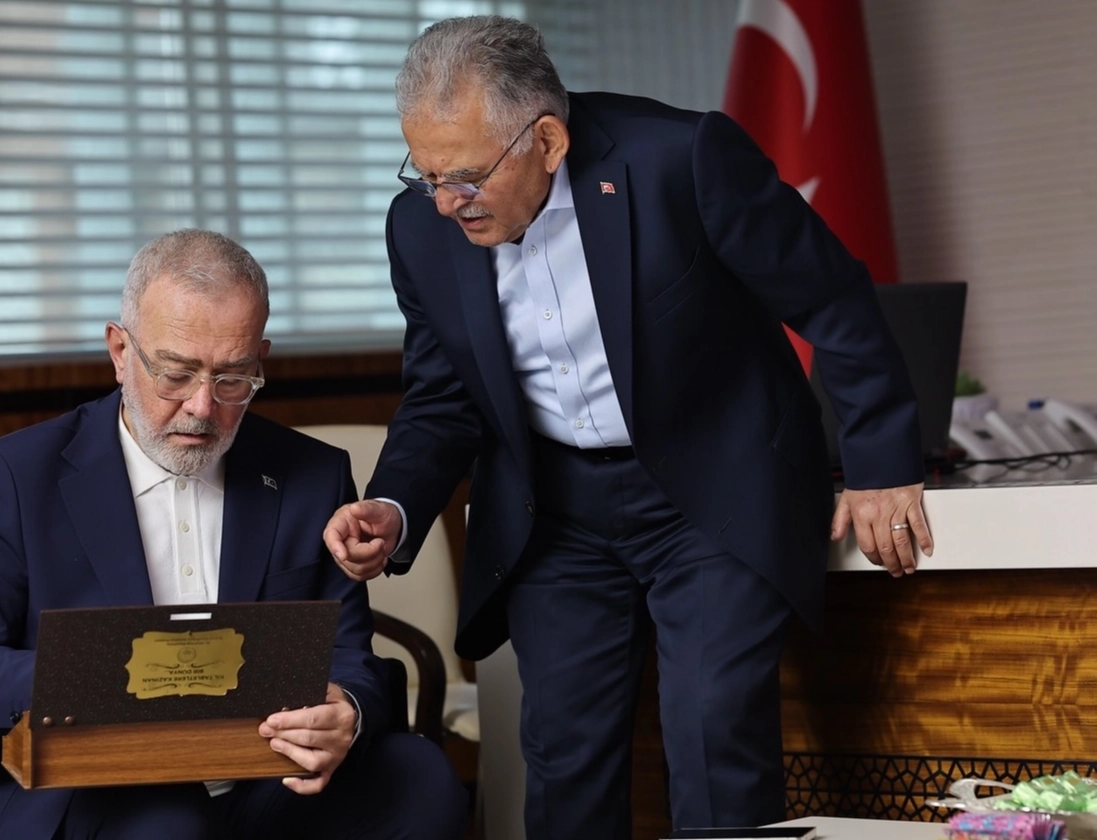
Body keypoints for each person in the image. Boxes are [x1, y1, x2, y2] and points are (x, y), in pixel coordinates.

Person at [323, 15, 935, 840]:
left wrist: (880, 465)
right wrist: (393, 506)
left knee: (713, 732)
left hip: (709, 489)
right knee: (563, 756)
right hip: (555, 509)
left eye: (465, 176)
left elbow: (832, 299)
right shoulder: (419, 228)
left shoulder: (680, 159)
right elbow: (441, 395)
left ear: (546, 140)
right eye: (424, 174)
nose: (442, 202)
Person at [0, 229, 467, 840]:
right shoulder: (16, 474)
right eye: (175, 373)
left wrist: (346, 710)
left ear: (260, 360)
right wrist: (95, 675)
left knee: (421, 778)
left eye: (233, 378)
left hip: (263, 775)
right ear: (120, 351)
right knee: (172, 821)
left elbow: (350, 657)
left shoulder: (312, 474)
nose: (202, 407)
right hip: (92, 790)